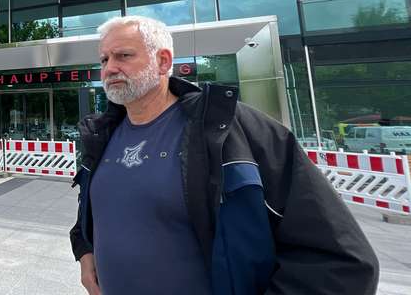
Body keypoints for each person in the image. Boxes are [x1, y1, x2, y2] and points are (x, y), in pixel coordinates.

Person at [70, 16, 378, 295]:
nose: (109, 68)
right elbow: (96, 211)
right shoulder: (101, 135)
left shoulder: (231, 129)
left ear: (163, 61)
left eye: (123, 56)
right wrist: (85, 250)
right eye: (104, 59)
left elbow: (341, 264)